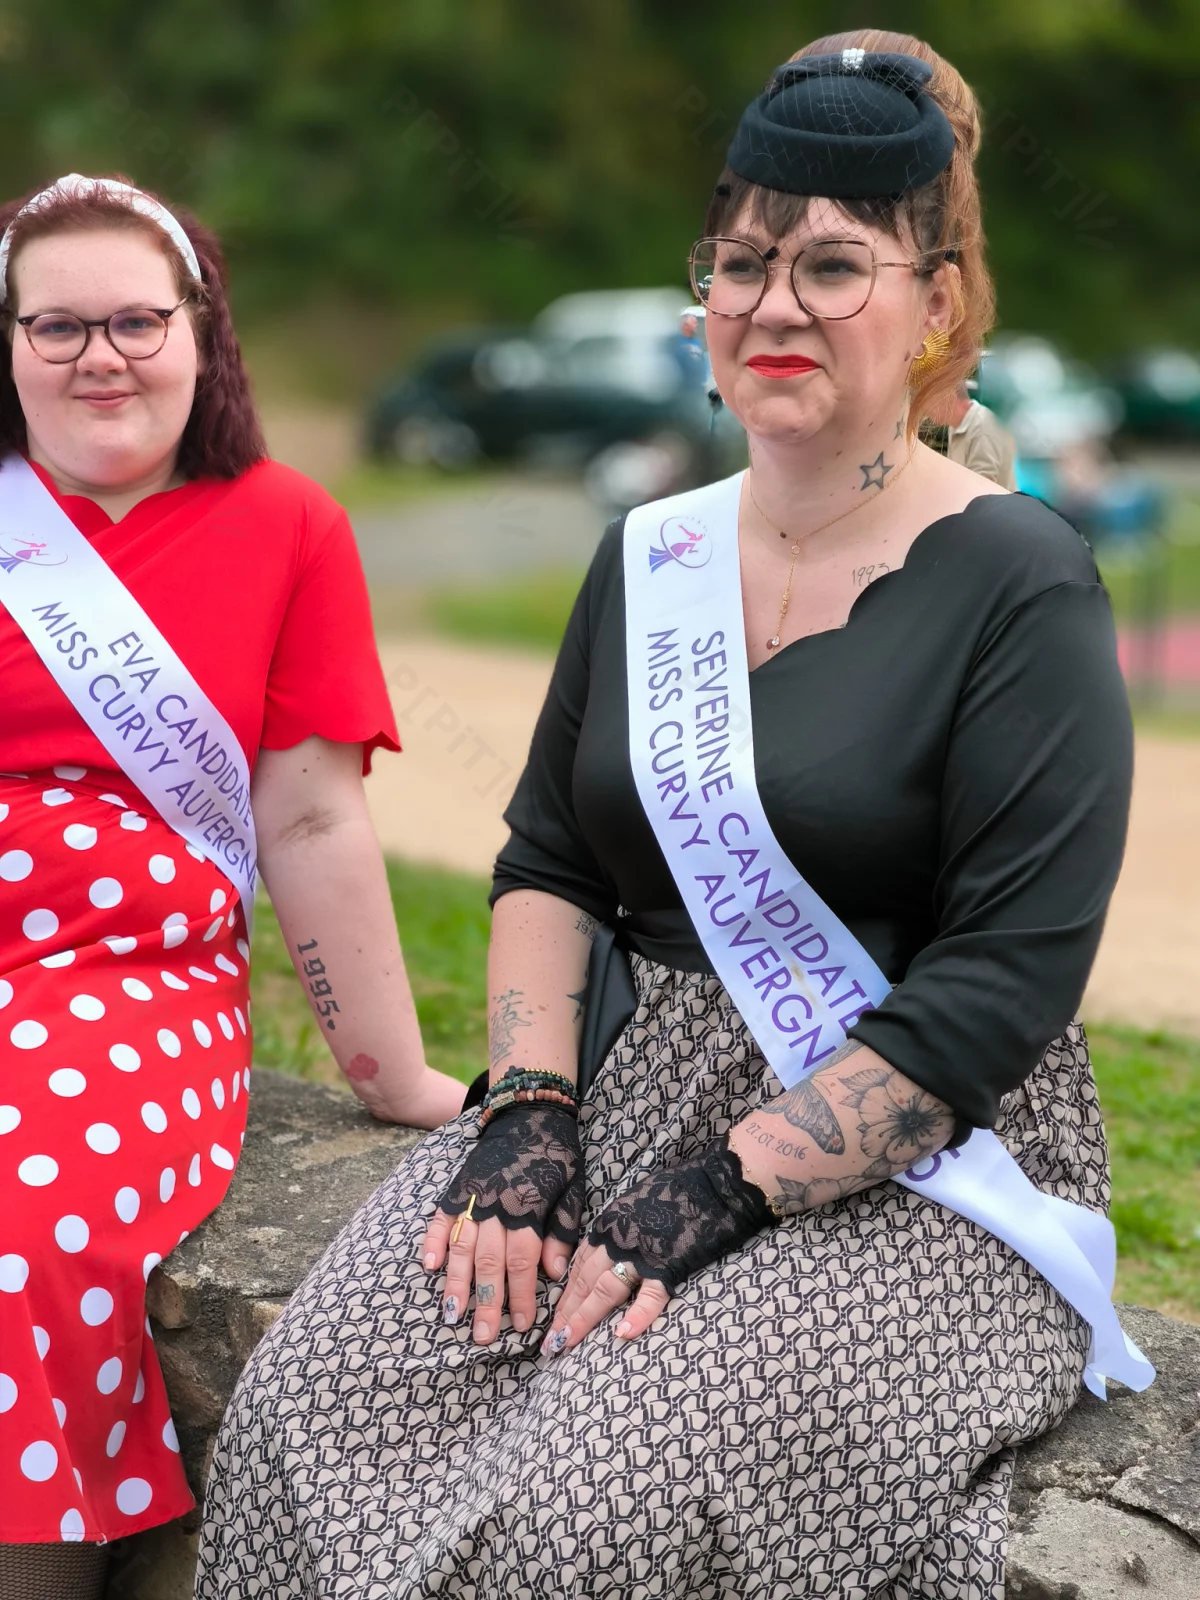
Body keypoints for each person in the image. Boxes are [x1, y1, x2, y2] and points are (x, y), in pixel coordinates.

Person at [197, 30, 1134, 1598]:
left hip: (916, 1155)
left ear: (933, 304)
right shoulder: (650, 557)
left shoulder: (1023, 582)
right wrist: (527, 1119)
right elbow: (550, 863)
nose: (776, 305)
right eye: (742, 265)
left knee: (588, 1508)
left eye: (833, 266)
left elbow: (1004, 979)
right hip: (624, 1091)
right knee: (315, 1411)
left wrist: (731, 1180)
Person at [0, 173, 463, 1599]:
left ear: (202, 332)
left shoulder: (287, 526)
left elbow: (311, 818)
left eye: (136, 320)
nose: (100, 356)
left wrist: (390, 1072)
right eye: (56, 325)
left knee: (22, 1224)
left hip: (119, 981)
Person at [927, 378, 1018, 487]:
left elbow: (981, 486)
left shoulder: (983, 428)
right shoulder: (955, 425)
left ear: (949, 397)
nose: (926, 408)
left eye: (930, 401)